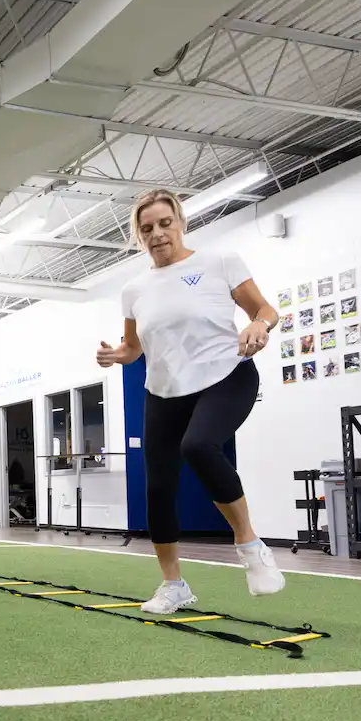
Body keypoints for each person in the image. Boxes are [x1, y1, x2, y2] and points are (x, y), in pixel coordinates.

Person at [95, 189, 284, 614]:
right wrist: (115, 356)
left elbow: (265, 309)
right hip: (164, 390)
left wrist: (258, 325)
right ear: (138, 236)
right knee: (158, 488)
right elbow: (132, 348)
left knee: (198, 446)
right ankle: (173, 585)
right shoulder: (134, 289)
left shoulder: (219, 262)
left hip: (226, 374)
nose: (157, 234)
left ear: (180, 222)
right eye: (146, 229)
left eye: (165, 223)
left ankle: (251, 547)